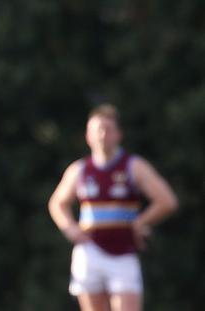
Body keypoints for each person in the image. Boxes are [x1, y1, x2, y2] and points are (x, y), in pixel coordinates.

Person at [48, 104, 178, 311]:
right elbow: (57, 203)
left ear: (118, 135)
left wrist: (141, 221)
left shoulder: (133, 166)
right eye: (96, 130)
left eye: (107, 129)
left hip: (123, 251)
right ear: (88, 136)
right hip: (89, 251)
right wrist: (69, 228)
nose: (102, 135)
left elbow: (167, 201)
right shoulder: (79, 170)